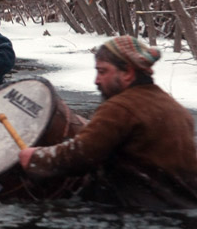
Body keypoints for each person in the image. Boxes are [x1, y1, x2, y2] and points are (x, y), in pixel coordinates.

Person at [19, 37, 197, 209]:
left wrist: (36, 158)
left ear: (127, 72)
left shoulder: (121, 107)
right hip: (182, 212)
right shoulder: (176, 109)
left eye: (103, 71)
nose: (96, 80)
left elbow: (82, 154)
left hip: (140, 213)